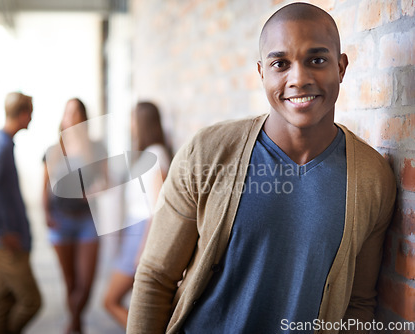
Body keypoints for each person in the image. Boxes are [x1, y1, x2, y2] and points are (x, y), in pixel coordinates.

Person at [127, 3, 397, 334]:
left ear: (341, 67)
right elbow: (155, 275)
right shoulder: (208, 153)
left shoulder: (372, 178)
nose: (298, 79)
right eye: (280, 64)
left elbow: (358, 302)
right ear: (261, 73)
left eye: (317, 60)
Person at [0, 92, 41, 334]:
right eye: (31, 112)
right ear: (23, 114)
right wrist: (1, 233)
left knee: (4, 301)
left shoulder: (2, 142)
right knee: (32, 301)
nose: (32, 118)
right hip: (5, 243)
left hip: (7, 238)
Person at [104, 101, 171, 328]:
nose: (130, 124)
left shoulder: (156, 154)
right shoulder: (147, 154)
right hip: (135, 231)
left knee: (110, 300)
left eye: (133, 119)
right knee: (136, 304)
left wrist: (143, 250)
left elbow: (157, 209)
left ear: (143, 122)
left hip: (142, 233)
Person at [42, 98, 100, 334]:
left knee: (85, 284)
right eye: (69, 112)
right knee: (70, 282)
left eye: (77, 112)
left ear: (84, 118)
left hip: (88, 221)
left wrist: (93, 192)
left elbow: (107, 181)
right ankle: (77, 326)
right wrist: (45, 212)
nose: (73, 116)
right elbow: (44, 186)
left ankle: (73, 324)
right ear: (63, 118)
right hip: (61, 220)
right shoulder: (53, 151)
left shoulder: (96, 147)